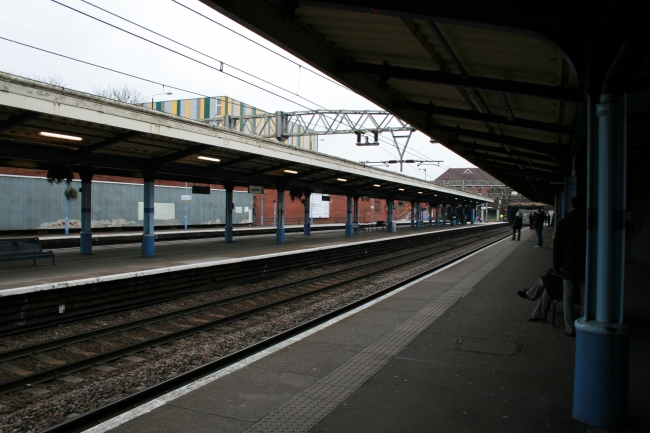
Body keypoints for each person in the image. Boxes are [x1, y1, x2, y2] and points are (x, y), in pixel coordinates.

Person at [553, 196, 587, 337]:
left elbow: (557, 247)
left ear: (571, 206)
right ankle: (585, 325)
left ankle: (569, 328)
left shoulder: (564, 222)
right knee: (586, 297)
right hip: (586, 265)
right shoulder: (590, 221)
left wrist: (556, 266)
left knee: (568, 297)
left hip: (568, 265)